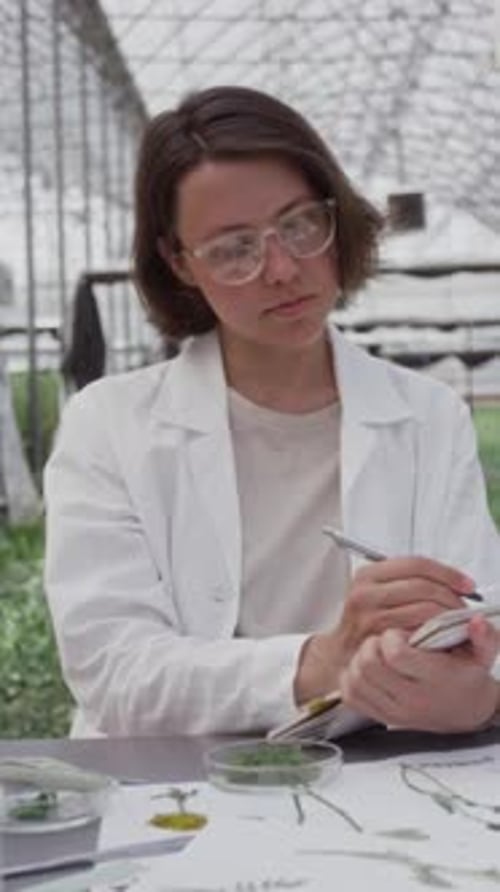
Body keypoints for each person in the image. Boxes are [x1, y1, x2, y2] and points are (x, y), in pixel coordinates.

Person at [44, 85, 500, 738]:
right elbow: (115, 673)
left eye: (299, 225)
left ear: (334, 217)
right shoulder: (109, 424)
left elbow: (482, 623)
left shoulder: (427, 414)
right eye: (234, 248)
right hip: (171, 791)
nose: (282, 269)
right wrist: (323, 660)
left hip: (380, 780)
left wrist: (476, 698)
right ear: (180, 262)